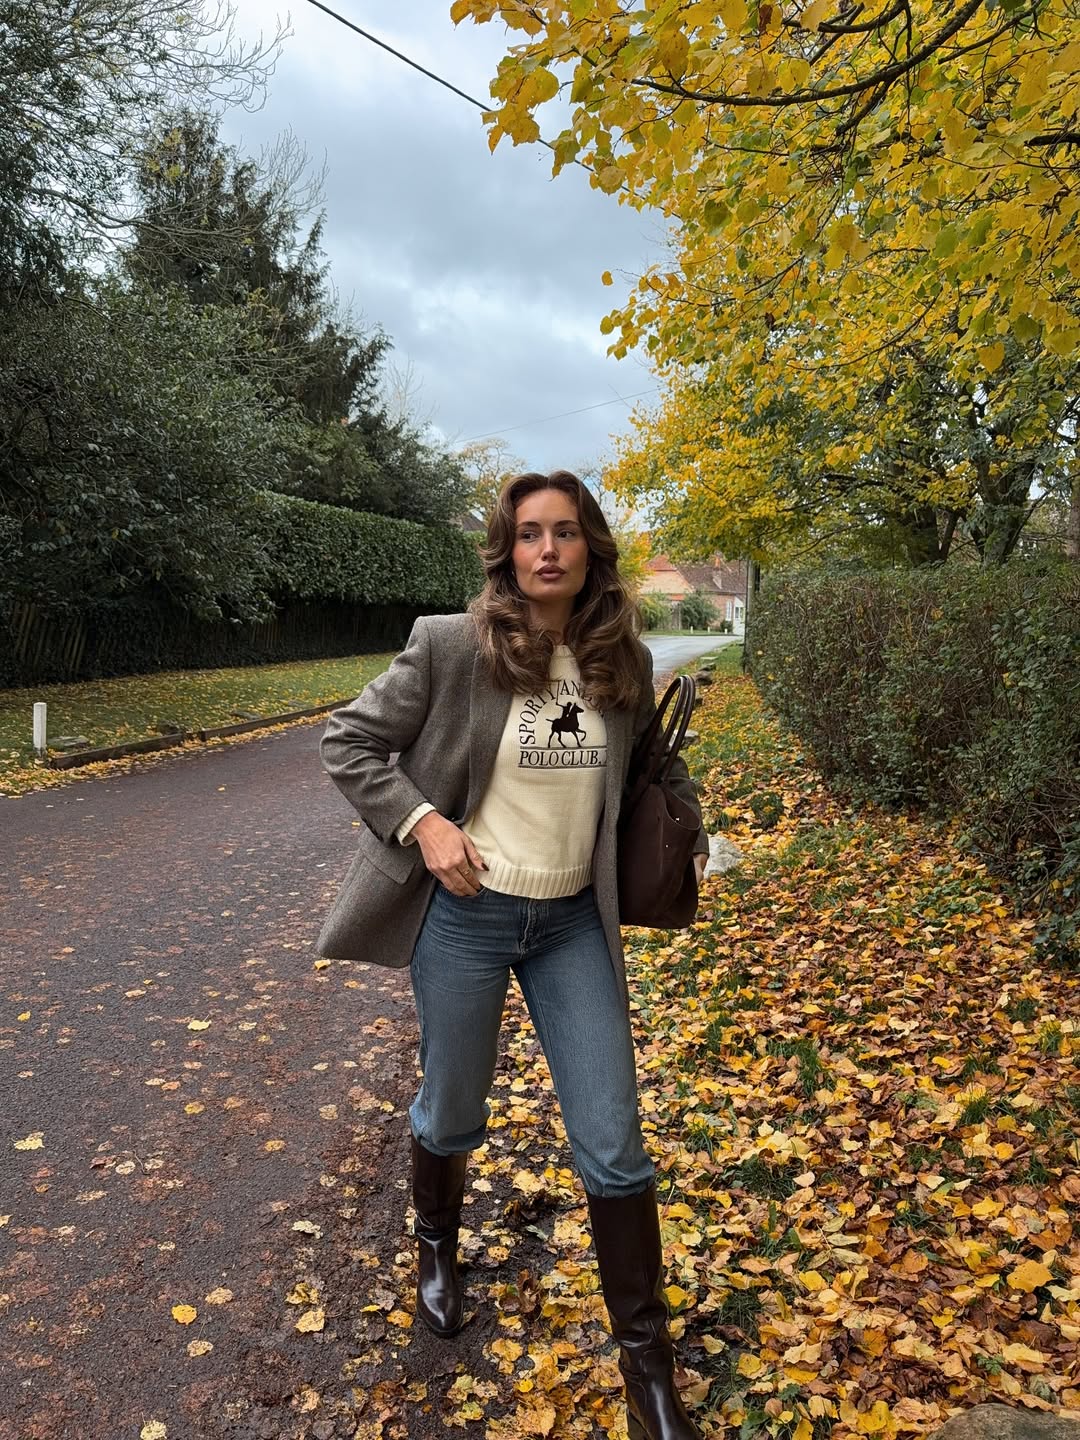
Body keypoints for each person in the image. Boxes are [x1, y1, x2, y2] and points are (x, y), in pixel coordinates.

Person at [319, 470, 708, 1440]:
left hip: (575, 922)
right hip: (469, 916)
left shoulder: (624, 662)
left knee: (614, 1136)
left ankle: (647, 1368)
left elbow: (659, 765)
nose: (547, 549)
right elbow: (351, 742)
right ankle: (438, 1248)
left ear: (590, 550)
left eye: (565, 533)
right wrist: (423, 824)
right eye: (530, 532)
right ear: (507, 548)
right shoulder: (453, 647)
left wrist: (685, 823)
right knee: (452, 1110)